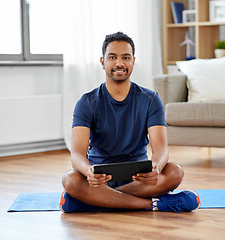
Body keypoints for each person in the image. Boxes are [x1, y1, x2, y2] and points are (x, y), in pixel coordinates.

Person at [60, 32, 200, 213]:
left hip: (139, 178)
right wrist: (88, 171)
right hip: (100, 178)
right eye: (112, 57)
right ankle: (154, 204)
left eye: (125, 57)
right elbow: (77, 154)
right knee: (70, 180)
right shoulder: (86, 102)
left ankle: (92, 202)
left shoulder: (151, 99)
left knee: (175, 172)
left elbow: (161, 149)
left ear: (133, 61)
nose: (119, 63)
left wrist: (156, 166)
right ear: (103, 62)